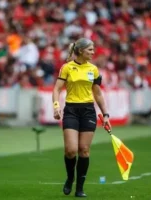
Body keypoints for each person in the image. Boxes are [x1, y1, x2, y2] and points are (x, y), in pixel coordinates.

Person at [52, 38, 111, 197]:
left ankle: (80, 187)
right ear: (80, 51)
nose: (93, 52)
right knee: (71, 150)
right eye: (90, 50)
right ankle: (70, 178)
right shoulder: (67, 68)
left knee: (84, 150)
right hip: (71, 110)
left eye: (93, 50)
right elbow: (56, 89)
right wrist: (56, 107)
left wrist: (105, 114)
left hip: (88, 111)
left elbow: (97, 93)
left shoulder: (94, 69)